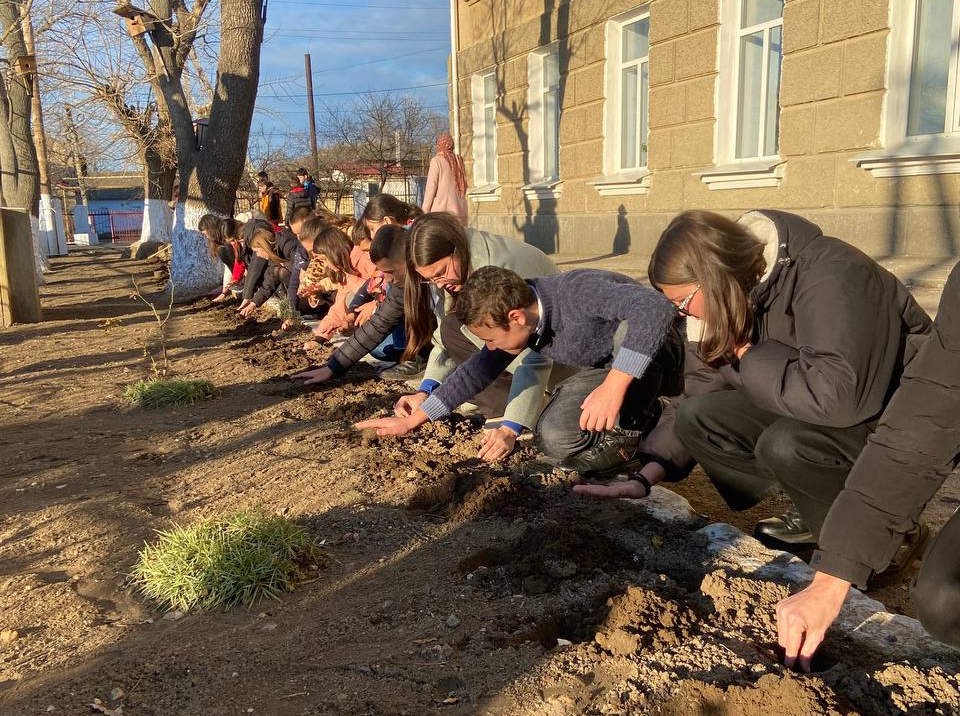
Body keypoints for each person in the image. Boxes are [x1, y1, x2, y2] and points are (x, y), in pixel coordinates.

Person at [577, 210, 931, 548]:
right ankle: (818, 508)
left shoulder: (832, 273)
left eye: (682, 301)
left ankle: (889, 535)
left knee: (784, 443)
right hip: (818, 402)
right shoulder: (726, 300)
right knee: (699, 417)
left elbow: (838, 395)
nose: (681, 313)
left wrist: (747, 352)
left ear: (711, 278)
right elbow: (694, 398)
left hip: (897, 408)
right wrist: (645, 478)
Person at [774, 261, 960, 669]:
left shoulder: (830, 280)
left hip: (860, 407)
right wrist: (834, 576)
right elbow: (925, 422)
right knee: (947, 597)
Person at [358, 265, 684, 476]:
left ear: (515, 317)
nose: (492, 347)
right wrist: (416, 418)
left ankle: (645, 420)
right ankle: (644, 417)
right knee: (553, 437)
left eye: (491, 338)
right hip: (605, 370)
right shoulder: (521, 322)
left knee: (627, 331)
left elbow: (655, 308)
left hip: (655, 356)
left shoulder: (577, 292)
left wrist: (614, 386)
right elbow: (477, 370)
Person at [350, 213, 555, 464]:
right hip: (520, 353)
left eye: (440, 273)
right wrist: (426, 392)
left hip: (562, 369)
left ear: (456, 249)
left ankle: (527, 405)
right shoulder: (450, 271)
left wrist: (512, 426)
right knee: (452, 327)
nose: (438, 283)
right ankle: (503, 404)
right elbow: (444, 340)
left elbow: (536, 355)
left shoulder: (501, 272)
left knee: (558, 435)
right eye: (430, 279)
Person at [292, 224, 420, 385]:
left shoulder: (365, 259)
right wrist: (333, 364)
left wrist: (374, 304)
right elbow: (379, 319)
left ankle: (415, 357)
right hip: (394, 321)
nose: (386, 279)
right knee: (378, 350)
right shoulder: (397, 282)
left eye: (389, 272)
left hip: (425, 333)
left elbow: (372, 289)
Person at [308, 224, 381, 341]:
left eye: (324, 259)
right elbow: (338, 307)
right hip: (377, 310)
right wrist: (320, 337)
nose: (326, 265)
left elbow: (381, 284)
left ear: (333, 252)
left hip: (383, 307)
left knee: (351, 298)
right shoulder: (346, 270)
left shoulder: (363, 258)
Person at [237, 223, 302, 318]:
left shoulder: (288, 244)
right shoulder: (274, 254)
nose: (258, 256)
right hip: (299, 289)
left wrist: (291, 310)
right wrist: (253, 303)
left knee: (281, 271)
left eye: (257, 251)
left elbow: (301, 268)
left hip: (311, 288)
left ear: (264, 246)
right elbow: (269, 282)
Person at [198, 214, 246, 302]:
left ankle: (244, 282)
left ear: (211, 229)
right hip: (241, 273)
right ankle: (241, 281)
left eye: (206, 233)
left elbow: (239, 259)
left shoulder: (229, 235)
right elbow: (229, 266)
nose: (207, 237)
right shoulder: (221, 244)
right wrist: (225, 290)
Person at [423, 133, 468, 224]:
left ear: (439, 145)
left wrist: (424, 212)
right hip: (460, 212)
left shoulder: (437, 160)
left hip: (442, 213)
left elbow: (431, 188)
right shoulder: (459, 160)